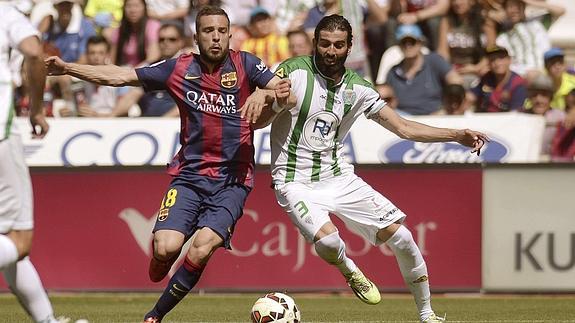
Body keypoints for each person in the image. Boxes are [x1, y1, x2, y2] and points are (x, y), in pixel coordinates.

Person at [45, 6, 295, 323]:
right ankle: (163, 257)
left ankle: (155, 316)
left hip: (232, 181)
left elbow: (288, 92)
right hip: (189, 178)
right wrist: (68, 68)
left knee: (202, 247)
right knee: (165, 248)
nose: (215, 37)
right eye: (208, 31)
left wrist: (265, 93)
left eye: (221, 31)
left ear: (230, 35)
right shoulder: (179, 68)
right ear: (195, 36)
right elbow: (122, 75)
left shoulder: (246, 64)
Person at [269, 14, 487, 323]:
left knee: (405, 239)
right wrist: (266, 99)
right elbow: (262, 107)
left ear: (349, 47)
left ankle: (427, 314)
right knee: (330, 241)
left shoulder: (359, 89)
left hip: (338, 177)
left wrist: (455, 135)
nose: (331, 51)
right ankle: (350, 270)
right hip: (293, 180)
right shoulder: (293, 71)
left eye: (339, 45)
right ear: (315, 43)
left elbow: (404, 128)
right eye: (325, 44)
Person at [0, 3, 67, 323]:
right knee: (19, 240)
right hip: (1, 133)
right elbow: (33, 50)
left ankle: (47, 321)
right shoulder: (6, 13)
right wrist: (37, 109)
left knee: (8, 239)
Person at [386, 24, 463, 115]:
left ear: (420, 43)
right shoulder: (393, 72)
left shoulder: (434, 61)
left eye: (412, 42)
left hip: (435, 117)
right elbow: (386, 96)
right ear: (398, 45)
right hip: (404, 120)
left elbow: (455, 81)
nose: (408, 46)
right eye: (404, 42)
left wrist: (446, 109)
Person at [469, 45, 527, 112]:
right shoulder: (486, 78)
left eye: (501, 58)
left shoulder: (518, 83)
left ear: (509, 60)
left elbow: (516, 112)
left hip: (508, 120)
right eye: (493, 60)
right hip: (485, 118)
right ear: (489, 63)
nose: (497, 63)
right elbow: (470, 97)